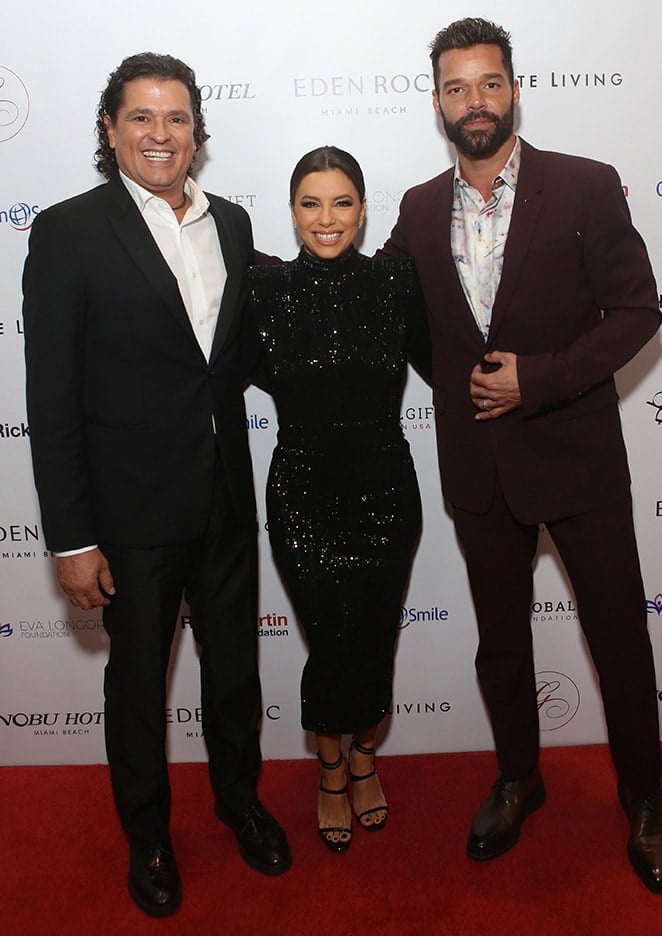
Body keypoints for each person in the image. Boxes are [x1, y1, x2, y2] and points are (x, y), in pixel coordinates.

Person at [381, 17, 662, 894]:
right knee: (502, 644)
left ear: (515, 88)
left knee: (619, 638)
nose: (475, 101)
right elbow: (405, 322)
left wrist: (537, 380)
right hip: (479, 469)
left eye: (489, 83)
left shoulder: (586, 189)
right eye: (456, 86)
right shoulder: (418, 207)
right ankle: (519, 778)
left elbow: (637, 313)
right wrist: (460, 385)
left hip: (578, 457)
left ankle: (647, 797)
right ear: (435, 99)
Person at [22, 52, 290, 918]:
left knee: (236, 675)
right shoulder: (68, 232)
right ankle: (148, 836)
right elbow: (51, 398)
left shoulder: (236, 224)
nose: (160, 134)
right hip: (129, 514)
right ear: (110, 128)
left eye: (177, 118)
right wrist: (70, 536)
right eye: (142, 116)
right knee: (136, 686)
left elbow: (234, 359)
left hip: (224, 497)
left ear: (197, 133)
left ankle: (240, 803)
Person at [249, 146, 429, 852]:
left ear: (363, 208)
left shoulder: (395, 281)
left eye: (342, 202)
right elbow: (210, 366)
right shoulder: (262, 291)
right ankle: (331, 770)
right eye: (310, 203)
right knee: (328, 642)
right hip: (302, 494)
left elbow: (450, 359)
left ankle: (364, 759)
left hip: (386, 489)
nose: (327, 219)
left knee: (375, 635)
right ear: (291, 211)